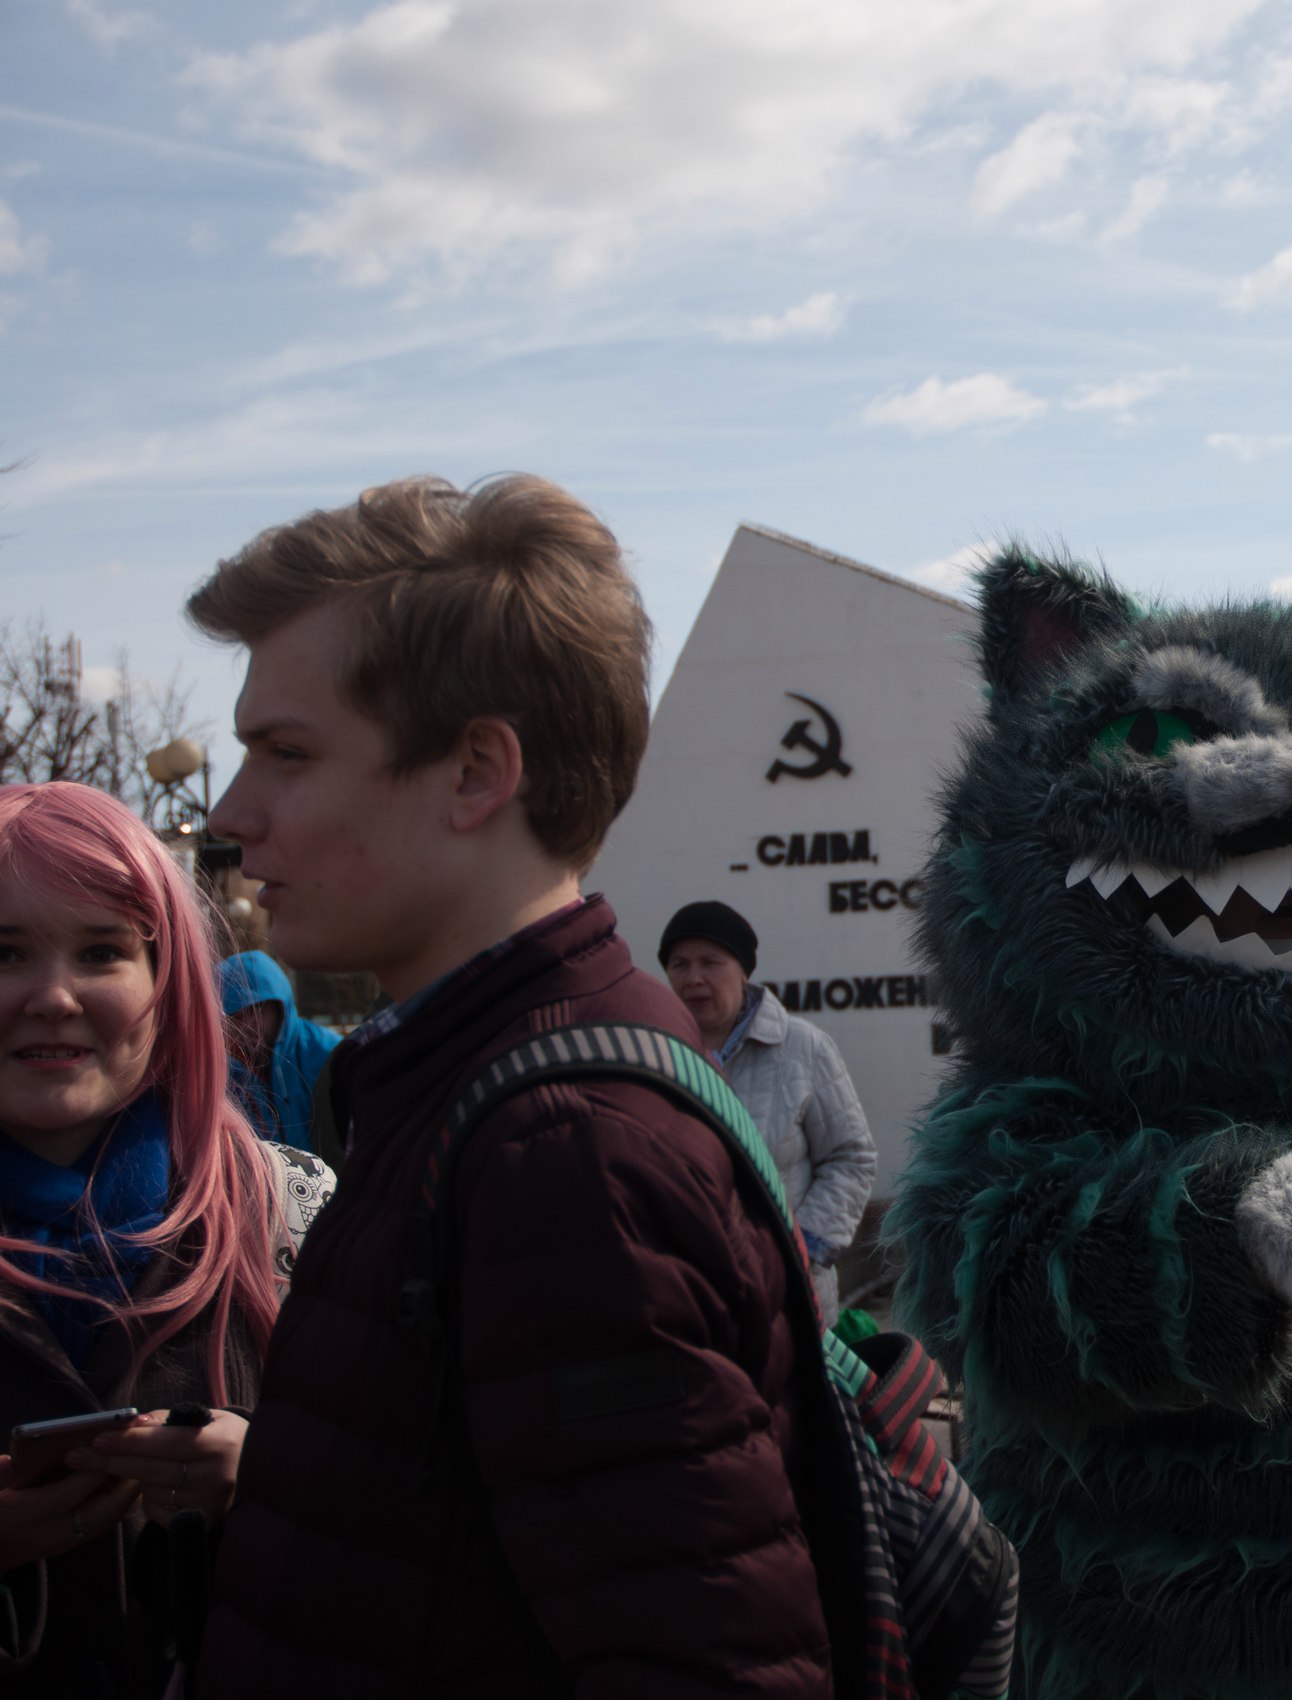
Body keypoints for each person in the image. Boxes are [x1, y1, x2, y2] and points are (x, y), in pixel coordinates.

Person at [181, 475, 832, 1697]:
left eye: (285, 751)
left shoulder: (568, 1155)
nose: (230, 814)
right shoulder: (480, 1088)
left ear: (478, 770)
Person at [0, 782, 331, 1698]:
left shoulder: (298, 1215)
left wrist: (273, 1482)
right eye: (5, 953)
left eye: (102, 950)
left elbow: (437, 1527)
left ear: (168, 980)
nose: (53, 995)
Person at [659, 900, 876, 1316]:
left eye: (711, 962)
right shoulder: (654, 1055)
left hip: (788, 1297)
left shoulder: (802, 1048)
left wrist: (804, 1248)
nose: (694, 979)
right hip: (687, 1297)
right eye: (679, 965)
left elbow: (852, 1158)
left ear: (744, 969)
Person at [214, 950, 339, 1152]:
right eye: (236, 1015)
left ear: (280, 1004)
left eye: (257, 1010)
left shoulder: (328, 1053)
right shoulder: (222, 1071)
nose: (247, 1025)